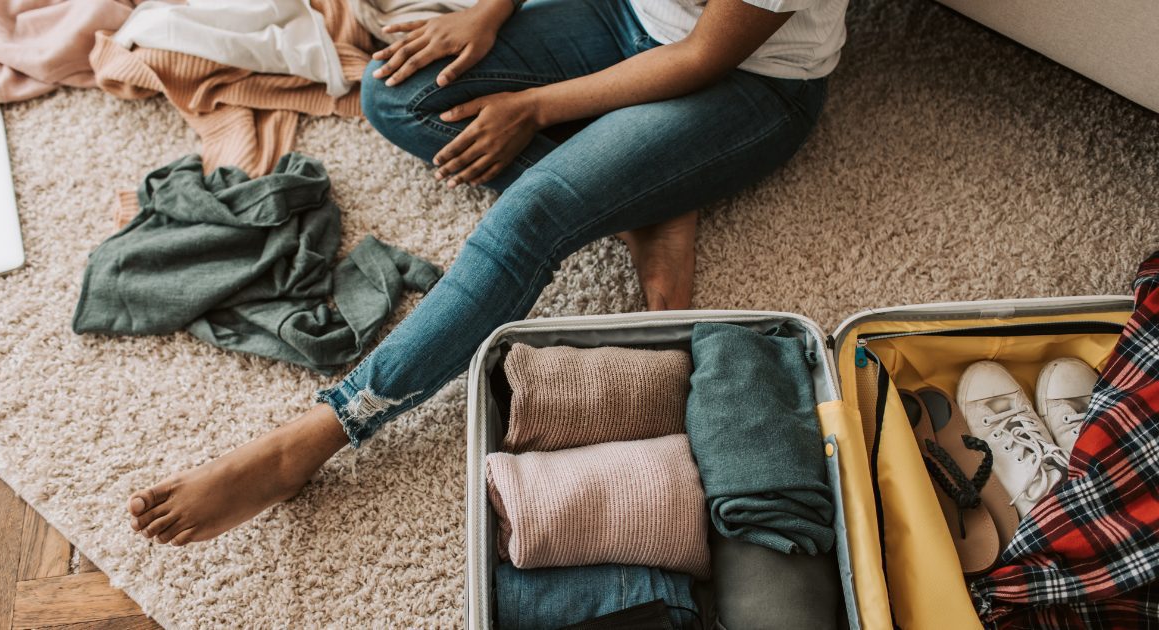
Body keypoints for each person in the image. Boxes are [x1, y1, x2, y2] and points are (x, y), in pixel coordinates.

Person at [125, 0, 848, 545]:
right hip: (623, 13)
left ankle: (315, 436)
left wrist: (534, 105)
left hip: (742, 81)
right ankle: (646, 204)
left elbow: (703, 55)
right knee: (394, 92)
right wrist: (489, 11)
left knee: (534, 212)